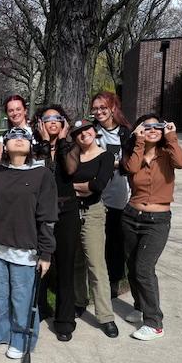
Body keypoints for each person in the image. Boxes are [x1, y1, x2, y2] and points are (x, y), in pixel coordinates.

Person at [0, 127, 57, 359]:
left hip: (27, 251)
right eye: (13, 138)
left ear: (31, 145)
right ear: (5, 145)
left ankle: (22, 337)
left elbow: (47, 218)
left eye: (24, 138)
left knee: (22, 299)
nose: (18, 140)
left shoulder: (42, 175)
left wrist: (46, 253)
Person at [122, 115, 182, 341]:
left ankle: (154, 322)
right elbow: (130, 168)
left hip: (157, 221)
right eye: (146, 126)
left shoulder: (168, 153)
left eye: (157, 126)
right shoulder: (135, 152)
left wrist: (172, 137)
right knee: (131, 265)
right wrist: (139, 142)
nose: (152, 130)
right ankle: (139, 306)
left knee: (143, 268)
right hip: (131, 216)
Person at [32, 105, 80, 341]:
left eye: (57, 118)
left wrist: (61, 142)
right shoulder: (34, 147)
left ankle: (65, 321)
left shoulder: (70, 146)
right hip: (40, 213)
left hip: (67, 211)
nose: (52, 122)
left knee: (65, 266)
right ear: (40, 123)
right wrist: (43, 144)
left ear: (64, 123)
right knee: (39, 265)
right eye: (47, 119)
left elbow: (70, 170)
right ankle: (38, 310)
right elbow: (42, 175)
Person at [69, 119, 119, 337]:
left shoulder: (105, 156)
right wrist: (82, 187)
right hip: (71, 212)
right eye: (78, 132)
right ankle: (80, 301)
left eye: (86, 130)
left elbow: (98, 186)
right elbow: (63, 182)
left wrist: (75, 187)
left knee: (96, 265)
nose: (83, 135)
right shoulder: (73, 156)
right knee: (76, 262)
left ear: (94, 131)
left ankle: (105, 316)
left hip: (92, 213)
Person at [91, 92, 131, 298]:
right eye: (95, 108)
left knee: (115, 242)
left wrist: (111, 164)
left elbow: (131, 164)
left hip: (118, 195)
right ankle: (97, 280)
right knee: (97, 241)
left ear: (113, 107)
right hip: (97, 194)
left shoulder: (125, 133)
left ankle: (114, 280)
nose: (98, 112)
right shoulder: (92, 131)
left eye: (103, 107)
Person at [0, 95, 32, 162]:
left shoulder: (36, 131)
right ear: (7, 114)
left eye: (18, 109)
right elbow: (1, 161)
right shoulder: (4, 137)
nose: (15, 113)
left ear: (25, 111)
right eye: (11, 111)